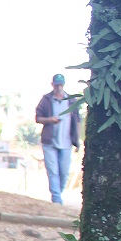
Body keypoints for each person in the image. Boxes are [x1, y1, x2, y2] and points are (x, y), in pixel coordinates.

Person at [35, 73, 81, 204]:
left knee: (64, 172)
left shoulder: (71, 101)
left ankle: (58, 194)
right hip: (49, 141)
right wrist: (50, 120)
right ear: (52, 85)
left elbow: (77, 121)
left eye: (61, 85)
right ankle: (56, 198)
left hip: (66, 142)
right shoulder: (46, 99)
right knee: (53, 170)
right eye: (57, 85)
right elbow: (38, 118)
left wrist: (77, 141)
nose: (59, 87)